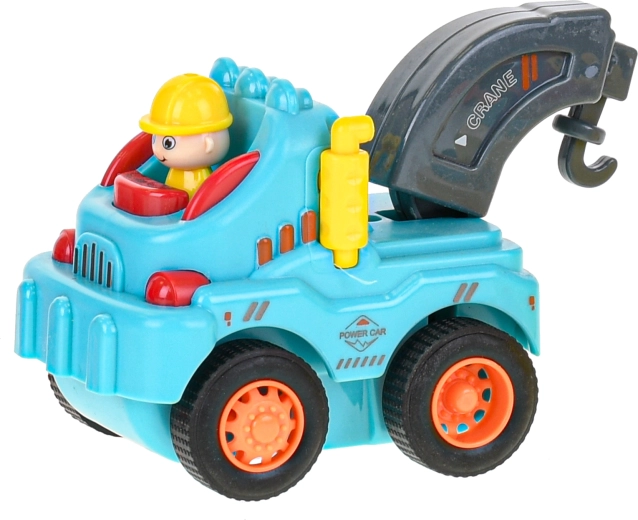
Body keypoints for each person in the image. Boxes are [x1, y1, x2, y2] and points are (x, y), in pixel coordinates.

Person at [139, 73, 233, 198]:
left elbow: (205, 200)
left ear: (208, 144)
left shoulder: (203, 181)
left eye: (168, 143)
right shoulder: (173, 169)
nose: (159, 150)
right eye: (155, 138)